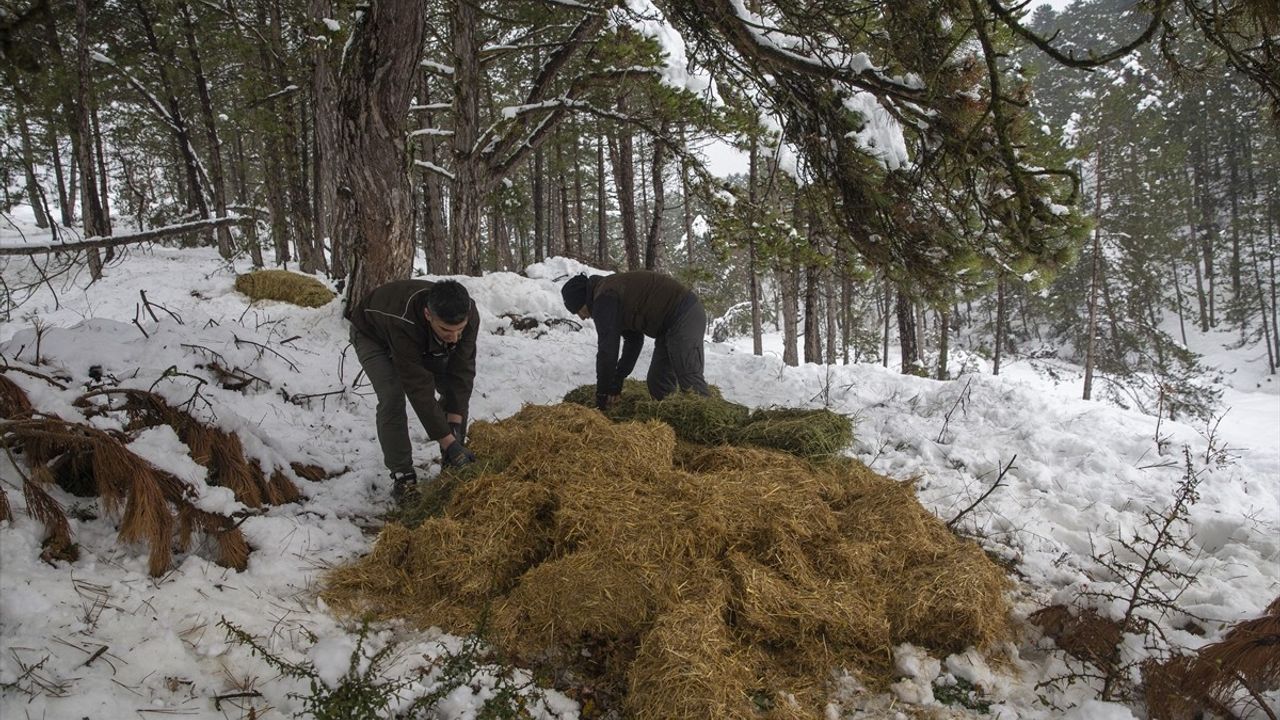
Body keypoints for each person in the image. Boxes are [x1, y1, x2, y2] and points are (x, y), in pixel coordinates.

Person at [349, 278, 478, 500]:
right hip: (374, 335)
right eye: (447, 329)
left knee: (451, 385)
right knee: (392, 395)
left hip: (421, 335)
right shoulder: (404, 320)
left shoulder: (468, 312)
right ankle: (403, 476)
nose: (455, 337)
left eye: (460, 330)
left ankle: (452, 462)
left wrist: (455, 431)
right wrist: (447, 441)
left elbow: (462, 371)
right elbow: (418, 387)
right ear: (429, 315)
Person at [561, 270, 709, 410]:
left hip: (684, 314)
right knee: (658, 382)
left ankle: (710, 429)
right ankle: (672, 426)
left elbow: (607, 352)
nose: (582, 317)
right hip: (668, 327)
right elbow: (634, 341)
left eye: (578, 311)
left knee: (690, 381)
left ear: (582, 300)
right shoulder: (609, 292)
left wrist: (601, 397)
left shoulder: (604, 298)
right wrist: (617, 380)